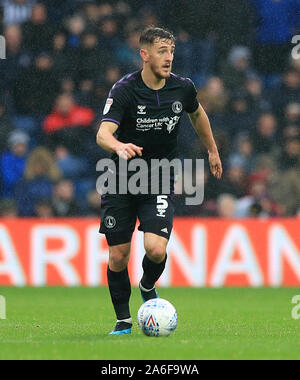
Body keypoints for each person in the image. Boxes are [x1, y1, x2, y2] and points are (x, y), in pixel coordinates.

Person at [96, 26, 222, 335]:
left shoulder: (183, 87)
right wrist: (118, 146)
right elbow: (102, 134)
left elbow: (197, 115)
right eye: (162, 52)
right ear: (145, 55)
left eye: (171, 52)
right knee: (118, 255)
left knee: (155, 249)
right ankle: (123, 321)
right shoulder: (124, 89)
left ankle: (147, 284)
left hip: (159, 178)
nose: (168, 58)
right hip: (121, 180)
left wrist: (212, 150)